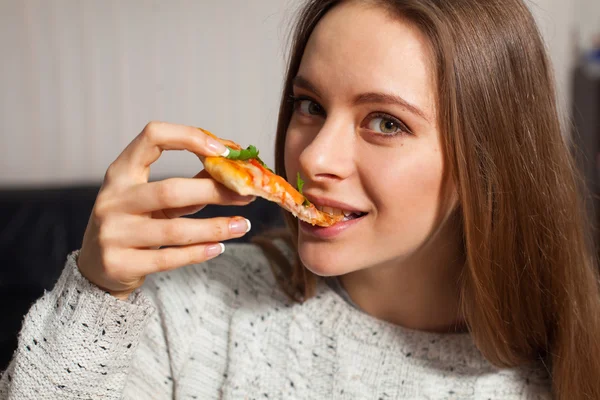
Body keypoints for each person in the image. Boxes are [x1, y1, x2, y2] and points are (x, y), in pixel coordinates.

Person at [2, 0, 600, 398]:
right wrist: (97, 293)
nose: (312, 157)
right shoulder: (190, 305)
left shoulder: (563, 369)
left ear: (487, 160)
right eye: (310, 105)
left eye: (385, 123)